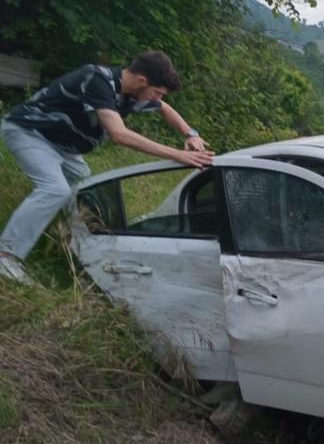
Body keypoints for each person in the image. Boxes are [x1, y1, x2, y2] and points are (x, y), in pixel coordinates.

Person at [0, 50, 213, 282]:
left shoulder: (132, 93)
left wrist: (191, 134)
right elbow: (119, 135)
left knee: (85, 190)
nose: (157, 99)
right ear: (142, 80)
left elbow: (164, 108)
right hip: (30, 132)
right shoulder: (97, 80)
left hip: (64, 147)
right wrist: (179, 155)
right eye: (157, 92)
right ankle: (5, 255)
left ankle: (79, 247)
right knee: (55, 189)